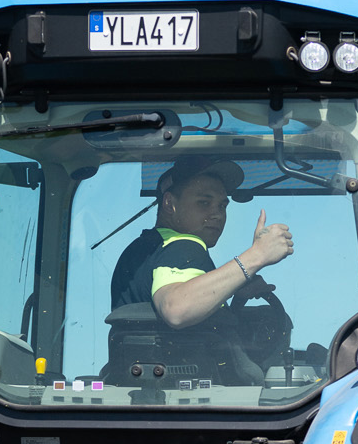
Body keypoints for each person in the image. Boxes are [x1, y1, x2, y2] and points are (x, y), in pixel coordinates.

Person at [108, 156, 295, 381]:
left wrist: (233, 296)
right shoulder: (183, 245)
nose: (217, 214)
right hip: (192, 399)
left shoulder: (142, 250)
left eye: (222, 205)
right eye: (204, 203)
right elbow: (177, 309)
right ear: (169, 204)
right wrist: (256, 256)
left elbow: (191, 333)